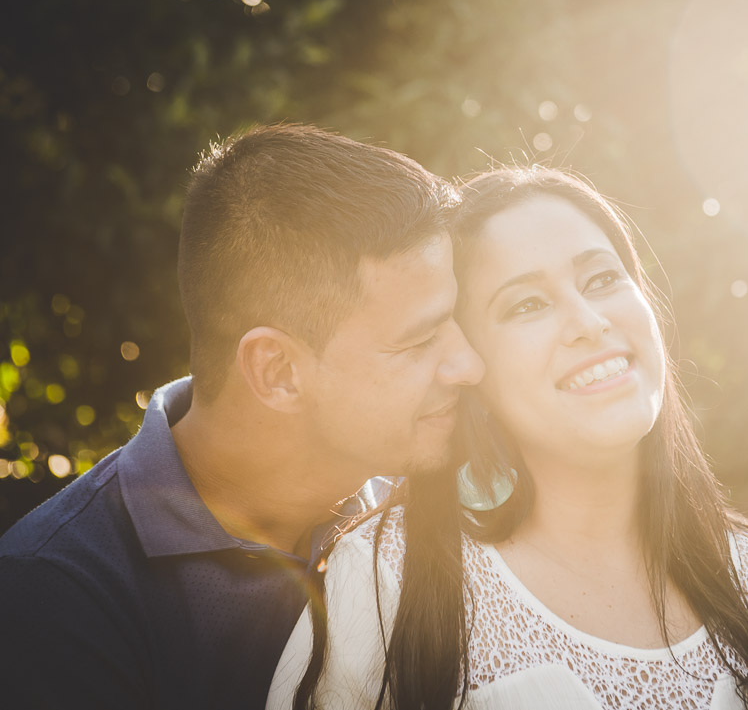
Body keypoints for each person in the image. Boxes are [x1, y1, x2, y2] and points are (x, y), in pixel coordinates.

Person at [269, 166, 748, 710]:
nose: (589, 323)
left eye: (602, 279)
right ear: (472, 366)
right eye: (527, 304)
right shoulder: (386, 583)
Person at [0, 124, 484, 710]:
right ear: (277, 371)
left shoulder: (428, 517)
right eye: (418, 340)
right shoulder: (57, 595)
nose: (469, 364)